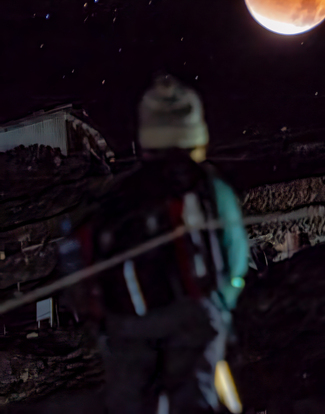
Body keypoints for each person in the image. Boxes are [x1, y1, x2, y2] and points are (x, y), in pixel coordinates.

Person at [64, 74, 248, 414]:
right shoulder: (205, 186)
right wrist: (221, 305)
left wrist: (105, 322)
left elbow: (82, 259)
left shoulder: (118, 194)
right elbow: (234, 255)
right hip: (192, 316)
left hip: (126, 323)